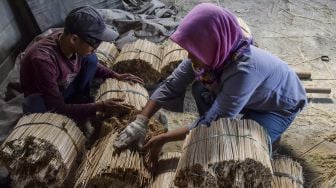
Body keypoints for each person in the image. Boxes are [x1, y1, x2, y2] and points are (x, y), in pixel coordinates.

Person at [113, 3, 307, 170]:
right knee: (200, 90)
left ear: (213, 43)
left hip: (277, 107)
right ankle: (230, 118)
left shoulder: (244, 69)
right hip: (248, 95)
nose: (189, 57)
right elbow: (172, 85)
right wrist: (140, 121)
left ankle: (270, 134)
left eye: (194, 50)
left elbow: (215, 121)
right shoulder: (212, 53)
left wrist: (163, 139)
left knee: (243, 146)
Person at [20, 6, 143, 124]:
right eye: (94, 43)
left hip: (64, 86)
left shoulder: (68, 39)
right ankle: (74, 106)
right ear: (74, 39)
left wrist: (115, 75)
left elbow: (92, 63)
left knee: (91, 59)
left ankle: (80, 98)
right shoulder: (43, 60)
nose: (96, 48)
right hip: (49, 98)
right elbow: (56, 107)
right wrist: (100, 106)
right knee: (35, 104)